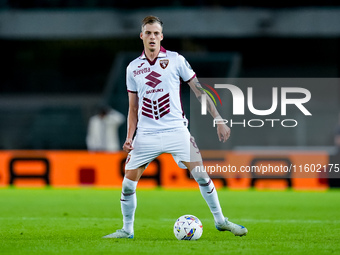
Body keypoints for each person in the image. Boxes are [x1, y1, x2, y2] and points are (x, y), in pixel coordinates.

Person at [103, 15, 247, 238]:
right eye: (148, 33)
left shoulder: (176, 60)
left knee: (200, 174)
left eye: (156, 33)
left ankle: (221, 221)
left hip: (176, 130)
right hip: (147, 133)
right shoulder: (133, 68)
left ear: (162, 36)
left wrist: (218, 119)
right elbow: (133, 108)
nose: (152, 37)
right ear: (141, 36)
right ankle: (126, 230)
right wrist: (129, 137)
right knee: (128, 184)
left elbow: (199, 90)